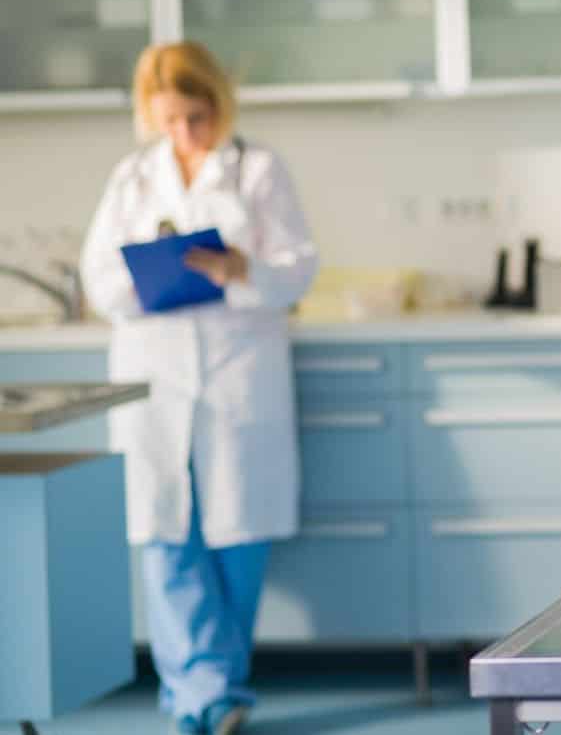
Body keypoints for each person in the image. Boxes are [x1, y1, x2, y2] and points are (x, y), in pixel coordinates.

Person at [80, 40, 318, 735]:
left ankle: (214, 689)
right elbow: (100, 281)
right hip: (154, 372)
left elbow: (297, 270)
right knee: (164, 530)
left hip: (237, 371)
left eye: (197, 117)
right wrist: (150, 278)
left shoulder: (259, 170)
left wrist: (238, 268)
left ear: (220, 104)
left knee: (237, 533)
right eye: (171, 120)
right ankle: (203, 697)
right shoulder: (132, 178)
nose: (185, 133)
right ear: (150, 116)